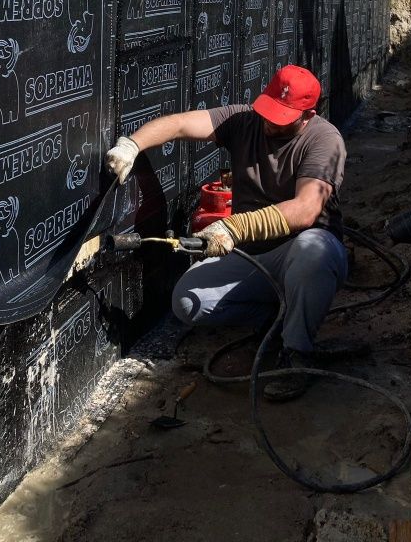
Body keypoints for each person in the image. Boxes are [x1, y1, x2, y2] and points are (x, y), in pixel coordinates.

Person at [105, 64, 348, 402]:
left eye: (282, 117)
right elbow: (178, 124)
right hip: (253, 255)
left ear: (308, 115)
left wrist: (235, 226)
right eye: (268, 111)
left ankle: (297, 351)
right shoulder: (244, 120)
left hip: (303, 250)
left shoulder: (324, 139)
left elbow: (306, 209)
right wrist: (132, 145)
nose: (269, 122)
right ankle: (280, 317)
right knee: (188, 302)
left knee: (313, 251)